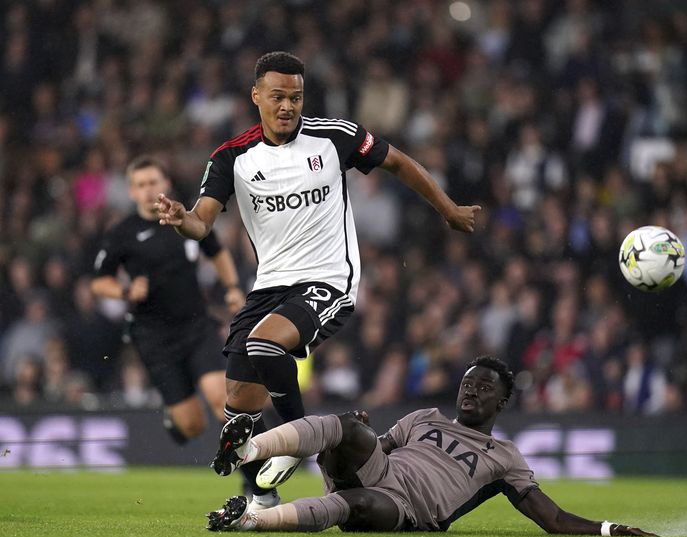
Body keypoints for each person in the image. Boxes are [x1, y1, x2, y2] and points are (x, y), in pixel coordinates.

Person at [155, 51, 480, 508]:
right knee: (238, 404)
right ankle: (261, 498)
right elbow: (202, 222)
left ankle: (297, 442)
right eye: (277, 97)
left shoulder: (335, 137)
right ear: (256, 97)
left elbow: (400, 163)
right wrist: (181, 218)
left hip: (329, 279)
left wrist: (447, 209)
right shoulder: (232, 157)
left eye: (296, 97)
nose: (287, 106)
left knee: (264, 345)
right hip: (269, 286)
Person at [204, 355, 657, 536]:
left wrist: (608, 529)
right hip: (380, 470)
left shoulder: (505, 458)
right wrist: (355, 434)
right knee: (345, 424)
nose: (471, 391)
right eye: (467, 383)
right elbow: (376, 447)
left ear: (502, 401)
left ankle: (249, 521)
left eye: (483, 388)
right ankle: (244, 451)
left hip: (406, 508)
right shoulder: (424, 417)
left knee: (352, 504)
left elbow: (553, 519)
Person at [92, 155, 246, 444]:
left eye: (153, 182)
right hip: (154, 337)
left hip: (196, 325)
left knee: (222, 401)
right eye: (141, 184)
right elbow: (100, 282)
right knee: (192, 426)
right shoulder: (122, 233)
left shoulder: (185, 219)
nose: (148, 189)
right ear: (131, 191)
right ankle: (175, 417)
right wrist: (125, 291)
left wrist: (233, 287)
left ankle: (252, 476)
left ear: (166, 183)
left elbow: (216, 251)